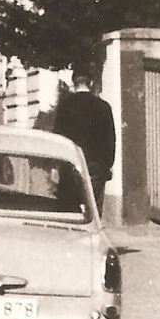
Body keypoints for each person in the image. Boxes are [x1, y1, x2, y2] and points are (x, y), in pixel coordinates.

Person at [50, 69, 116, 219]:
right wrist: (108, 165)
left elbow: (57, 136)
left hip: (70, 165)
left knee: (70, 211)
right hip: (96, 167)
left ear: (74, 83)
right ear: (91, 83)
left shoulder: (65, 106)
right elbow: (110, 139)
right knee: (94, 211)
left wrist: (56, 165)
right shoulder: (104, 107)